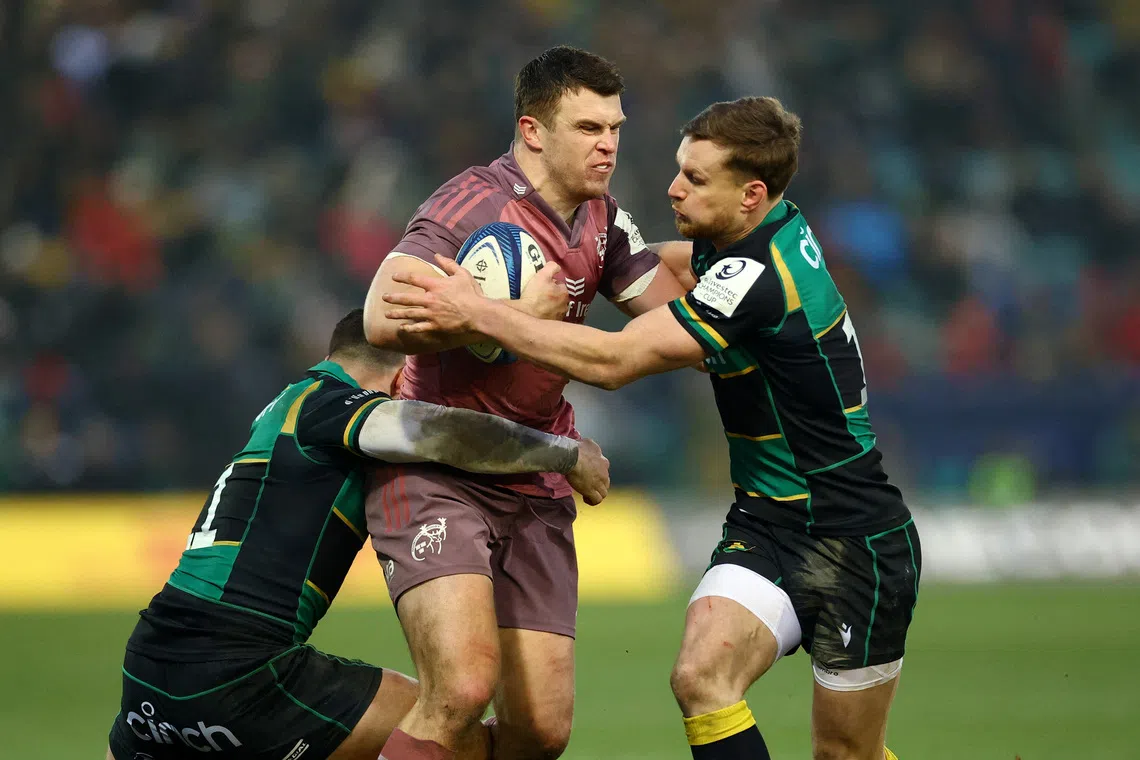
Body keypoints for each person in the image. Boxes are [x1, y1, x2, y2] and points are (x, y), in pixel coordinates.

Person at [383, 96, 920, 760]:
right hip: (769, 524)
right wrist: (582, 263)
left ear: (750, 194)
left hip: (853, 536)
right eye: (678, 169)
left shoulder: (756, 279)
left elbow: (613, 363)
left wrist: (480, 312)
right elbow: (679, 262)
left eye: (695, 178)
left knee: (844, 753)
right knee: (700, 678)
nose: (673, 188)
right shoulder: (760, 230)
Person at [360, 45, 688, 760]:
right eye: (588, 128)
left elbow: (675, 323)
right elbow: (380, 317)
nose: (608, 145)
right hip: (439, 470)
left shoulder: (604, 220)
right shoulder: (470, 205)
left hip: (535, 479)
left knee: (540, 731)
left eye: (615, 128)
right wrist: (489, 315)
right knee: (461, 688)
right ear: (533, 131)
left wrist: (746, 273)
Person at [105, 309, 610, 760]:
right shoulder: (330, 404)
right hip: (239, 666)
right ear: (404, 374)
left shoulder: (289, 405)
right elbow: (440, 432)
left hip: (148, 663)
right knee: (447, 734)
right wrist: (564, 454)